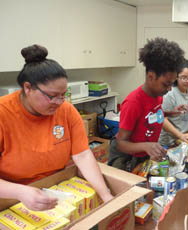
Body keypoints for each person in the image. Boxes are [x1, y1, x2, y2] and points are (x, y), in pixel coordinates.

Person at [0, 44, 113, 211]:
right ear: (28, 88)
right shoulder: (4, 113)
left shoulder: (66, 110)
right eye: (52, 96)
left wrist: (106, 196)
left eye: (63, 95)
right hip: (10, 197)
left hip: (55, 189)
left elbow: (82, 156)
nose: (59, 102)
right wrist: (20, 192)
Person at [107, 37, 186, 171]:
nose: (169, 89)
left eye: (172, 84)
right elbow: (121, 143)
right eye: (166, 84)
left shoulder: (157, 96)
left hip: (143, 154)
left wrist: (170, 113)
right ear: (150, 76)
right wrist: (146, 146)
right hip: (125, 157)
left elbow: (148, 116)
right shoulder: (133, 103)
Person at [158, 59, 188, 147]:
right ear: (176, 77)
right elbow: (162, 120)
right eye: (183, 77)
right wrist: (180, 135)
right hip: (167, 140)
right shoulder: (170, 93)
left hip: (184, 136)